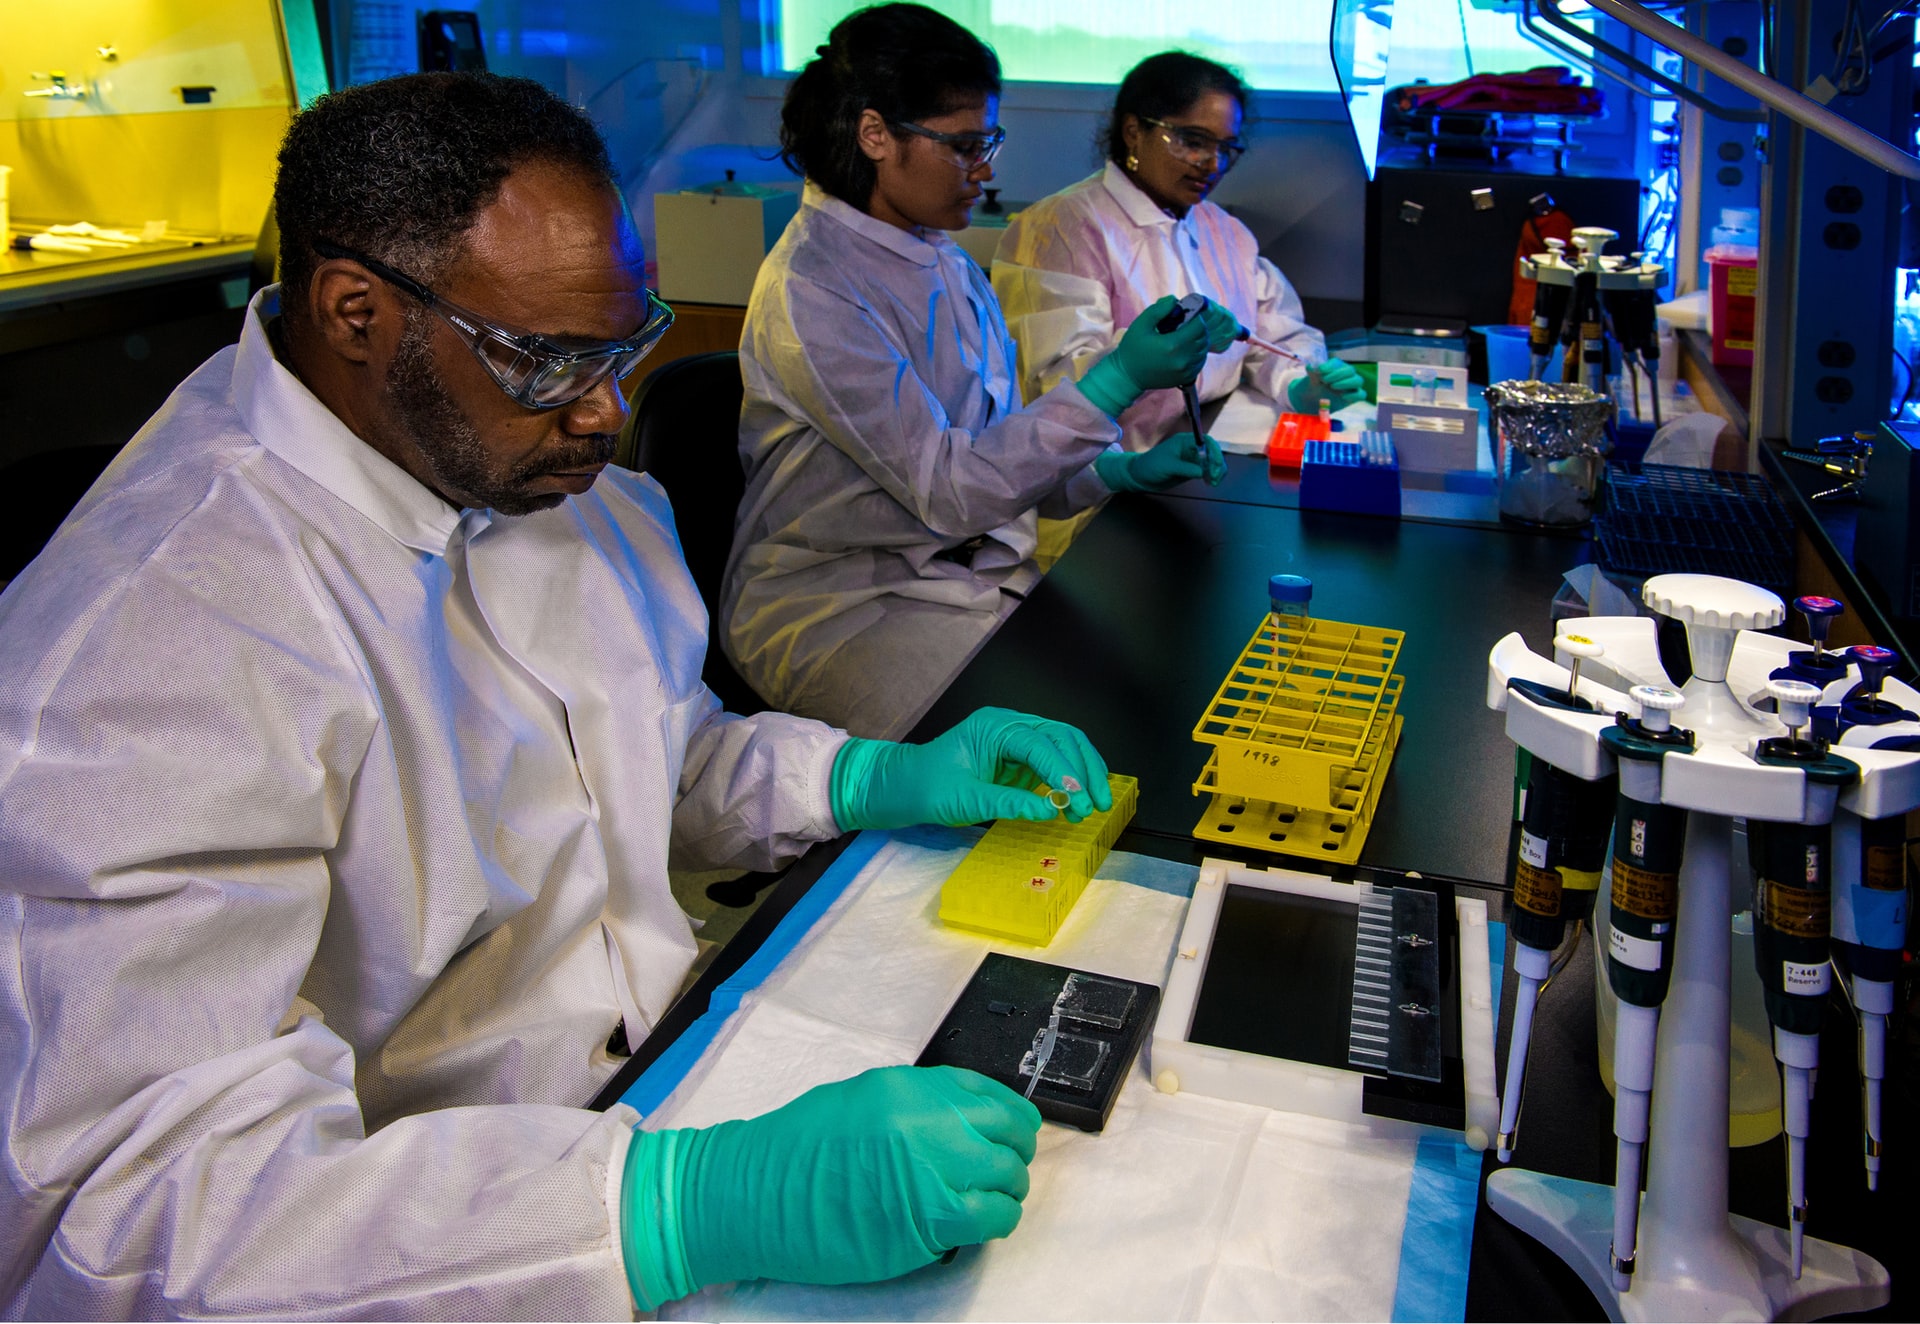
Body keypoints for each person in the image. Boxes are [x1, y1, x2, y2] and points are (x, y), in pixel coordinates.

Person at [0, 72, 1121, 1318]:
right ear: (355, 311)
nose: (606, 410)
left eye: (622, 345)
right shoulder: (154, 645)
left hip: (668, 1066)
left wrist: (858, 777)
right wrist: (666, 1209)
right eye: (546, 359)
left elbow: (647, 756)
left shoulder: (537, 475)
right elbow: (131, 1222)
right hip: (446, 1239)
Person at [723, 3, 1229, 742]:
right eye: (963, 146)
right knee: (1045, 758)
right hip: (844, 606)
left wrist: (1120, 472)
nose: (987, 169)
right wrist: (1117, 378)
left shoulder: (945, 260)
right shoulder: (813, 288)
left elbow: (1003, 459)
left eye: (988, 140)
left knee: (1152, 697)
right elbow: (956, 492)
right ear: (875, 135)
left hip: (966, 576)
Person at [994, 51, 1368, 452]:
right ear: (1134, 131)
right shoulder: (1062, 229)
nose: (1213, 164)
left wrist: (1300, 385)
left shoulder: (1223, 232)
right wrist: (1156, 348)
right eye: (1193, 142)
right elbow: (1055, 385)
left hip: (1204, 448)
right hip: (1100, 477)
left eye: (1227, 149)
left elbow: (1272, 335)